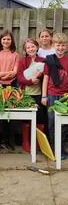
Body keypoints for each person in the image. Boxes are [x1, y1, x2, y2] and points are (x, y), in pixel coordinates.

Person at [0, 29, 20, 150]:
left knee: (7, 112)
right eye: (4, 39)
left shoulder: (15, 54)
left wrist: (6, 75)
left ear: (11, 40)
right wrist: (0, 75)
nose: (6, 41)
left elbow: (15, 71)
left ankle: (6, 140)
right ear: (0, 41)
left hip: (10, 84)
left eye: (8, 39)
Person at [41, 32, 68, 160]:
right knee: (52, 123)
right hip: (51, 95)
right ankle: (53, 148)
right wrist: (44, 96)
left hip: (65, 97)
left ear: (66, 46)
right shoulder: (49, 60)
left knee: (64, 125)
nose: (60, 48)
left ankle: (61, 148)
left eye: (63, 45)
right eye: (58, 45)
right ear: (53, 46)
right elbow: (45, 79)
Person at [17, 38, 45, 152]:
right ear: (25, 50)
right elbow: (19, 77)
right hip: (26, 94)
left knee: (40, 118)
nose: (31, 49)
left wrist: (40, 75)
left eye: (33, 46)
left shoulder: (43, 60)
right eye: (28, 47)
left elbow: (47, 76)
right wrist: (30, 81)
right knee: (26, 118)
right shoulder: (22, 61)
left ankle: (38, 142)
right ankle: (26, 142)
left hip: (39, 93)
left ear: (37, 47)